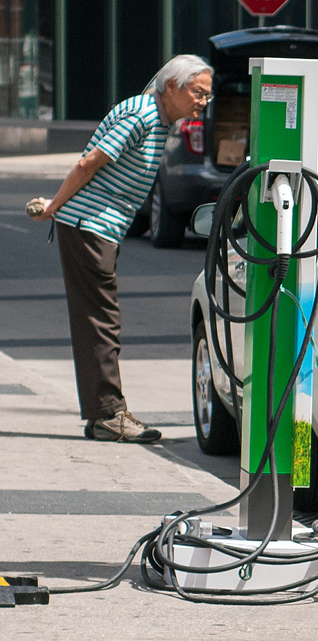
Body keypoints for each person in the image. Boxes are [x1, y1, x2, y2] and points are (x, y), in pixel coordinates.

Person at [29, 54, 212, 443]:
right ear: (172, 87)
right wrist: (53, 207)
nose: (202, 102)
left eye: (207, 96)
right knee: (101, 321)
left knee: (97, 320)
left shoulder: (157, 118)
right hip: (87, 226)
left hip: (99, 228)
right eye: (198, 93)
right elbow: (89, 163)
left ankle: (102, 415)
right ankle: (109, 415)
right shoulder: (143, 115)